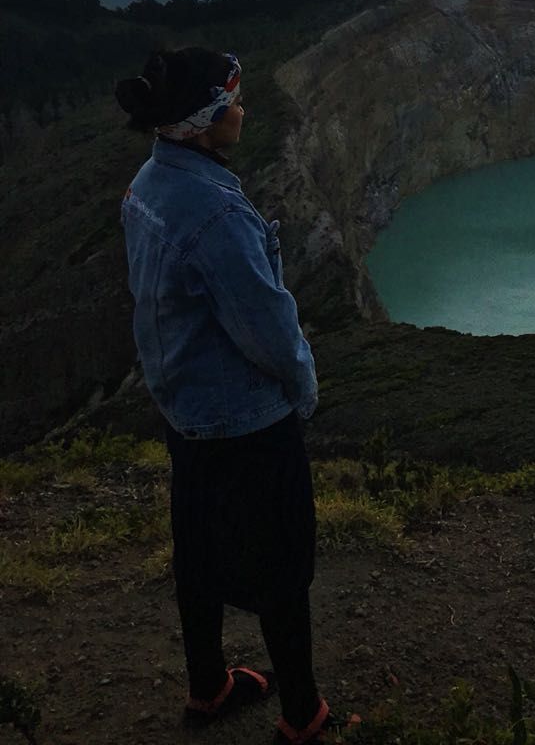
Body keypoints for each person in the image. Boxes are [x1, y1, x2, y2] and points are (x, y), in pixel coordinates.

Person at [115, 47, 359, 743]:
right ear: (204, 122)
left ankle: (208, 686)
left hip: (184, 406)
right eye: (233, 101)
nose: (244, 109)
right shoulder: (218, 213)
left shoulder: (148, 184)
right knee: (282, 564)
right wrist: (303, 389)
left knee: (197, 549)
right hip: (245, 420)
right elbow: (269, 330)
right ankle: (303, 714)